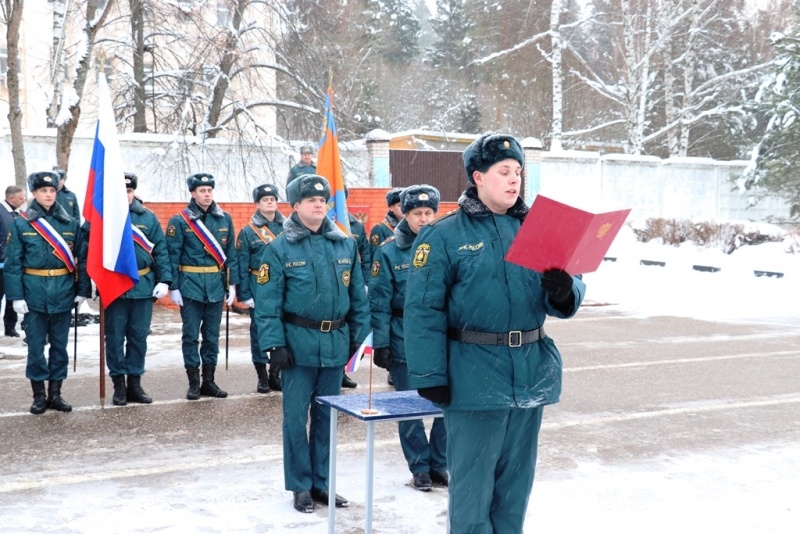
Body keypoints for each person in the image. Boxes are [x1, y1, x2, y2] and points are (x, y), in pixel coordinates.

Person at [404, 132, 586, 533]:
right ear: (478, 176)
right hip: (473, 379)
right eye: (503, 171)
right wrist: (430, 376)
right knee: (472, 496)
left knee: (514, 492)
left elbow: (572, 287)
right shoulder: (445, 235)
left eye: (518, 171)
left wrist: (565, 289)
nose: (514, 179)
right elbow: (422, 311)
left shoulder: (538, 229)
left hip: (529, 373)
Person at [254, 174, 370, 514]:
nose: (319, 204)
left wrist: (357, 339)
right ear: (296, 206)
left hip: (334, 344)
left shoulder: (345, 244)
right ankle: (300, 486)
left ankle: (322, 483)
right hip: (297, 346)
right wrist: (274, 345)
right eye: (310, 200)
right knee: (295, 420)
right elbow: (267, 304)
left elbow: (358, 297)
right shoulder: (278, 249)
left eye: (322, 200)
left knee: (326, 418)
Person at [369, 184, 447, 491]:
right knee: (409, 407)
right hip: (404, 336)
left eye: (429, 213)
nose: (424, 219)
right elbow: (379, 301)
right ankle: (419, 467)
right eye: (418, 213)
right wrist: (382, 343)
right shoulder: (389, 251)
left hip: (442, 337)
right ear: (406, 213)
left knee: (447, 405)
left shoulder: (445, 246)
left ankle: (439, 463)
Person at [4, 171, 91, 415]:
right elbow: (13, 264)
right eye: (44, 191)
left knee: (60, 347)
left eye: (52, 190)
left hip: (63, 291)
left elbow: (82, 259)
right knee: (35, 348)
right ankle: (39, 396)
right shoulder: (22, 224)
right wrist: (16, 297)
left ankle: (56, 394)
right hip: (33, 293)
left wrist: (82, 290)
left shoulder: (71, 224)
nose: (49, 194)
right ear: (34, 193)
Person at [96, 173, 172, 406]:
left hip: (142, 286)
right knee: (116, 338)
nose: (126, 196)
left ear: (134, 192)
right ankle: (119, 385)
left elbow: (160, 250)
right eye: (121, 192)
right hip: (115, 286)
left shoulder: (147, 218)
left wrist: (164, 280)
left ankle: (135, 384)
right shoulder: (103, 218)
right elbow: (89, 248)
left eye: (129, 192)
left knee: (138, 337)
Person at [166, 173, 239, 400]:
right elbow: (172, 256)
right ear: (192, 193)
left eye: (209, 190)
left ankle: (209, 381)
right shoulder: (179, 221)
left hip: (216, 287)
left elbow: (231, 256)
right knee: (190, 336)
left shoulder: (224, 218)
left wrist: (232, 285)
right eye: (202, 191)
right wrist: (173, 287)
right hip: (190, 286)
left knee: (211, 336)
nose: (207, 194)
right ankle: (193, 383)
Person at [236, 183, 285, 394]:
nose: (270, 202)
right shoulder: (248, 231)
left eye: (272, 199)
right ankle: (262, 376)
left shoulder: (288, 227)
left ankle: (276, 374)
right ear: (257, 204)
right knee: (259, 331)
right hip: (259, 285)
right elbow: (242, 263)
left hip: (284, 285)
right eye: (265, 200)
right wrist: (244, 294)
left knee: (282, 329)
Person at [340, 184, 371, 389]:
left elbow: (366, 256)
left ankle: (343, 370)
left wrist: (366, 282)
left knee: (354, 328)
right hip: (333, 284)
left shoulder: (356, 226)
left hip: (352, 282)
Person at [0, 185, 26, 337]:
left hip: (14, 263)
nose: (23, 201)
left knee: (12, 295)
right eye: (21, 198)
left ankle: (10, 327)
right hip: (1, 263)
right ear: (11, 198)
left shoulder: (19, 214)